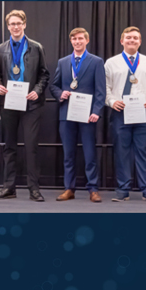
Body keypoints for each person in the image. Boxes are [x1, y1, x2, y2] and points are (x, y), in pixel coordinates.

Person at [0, 9, 50, 202]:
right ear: (8, 27)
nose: (15, 27)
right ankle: (9, 187)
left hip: (31, 104)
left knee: (31, 146)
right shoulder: (0, 49)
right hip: (9, 104)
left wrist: (38, 91)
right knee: (9, 147)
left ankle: (34, 189)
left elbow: (44, 74)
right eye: (12, 24)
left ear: (24, 24)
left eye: (18, 23)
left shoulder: (36, 47)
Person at [105, 26, 146, 203]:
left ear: (140, 41)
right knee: (121, 152)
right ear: (122, 41)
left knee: (143, 152)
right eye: (128, 38)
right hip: (120, 113)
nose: (132, 40)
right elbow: (104, 87)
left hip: (143, 113)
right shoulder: (111, 63)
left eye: (135, 38)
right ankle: (123, 190)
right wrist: (112, 101)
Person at [50, 28, 106, 202]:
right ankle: (69, 188)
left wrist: (96, 111)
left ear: (87, 40)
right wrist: (61, 94)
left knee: (89, 153)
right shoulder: (63, 62)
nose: (77, 41)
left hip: (88, 115)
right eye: (74, 39)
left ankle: (93, 189)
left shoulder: (96, 62)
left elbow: (101, 90)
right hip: (67, 113)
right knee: (68, 153)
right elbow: (54, 86)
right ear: (71, 41)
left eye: (80, 38)